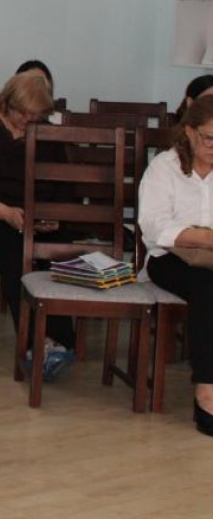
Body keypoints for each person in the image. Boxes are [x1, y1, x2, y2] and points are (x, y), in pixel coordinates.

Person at [0, 70, 76, 375]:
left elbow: (64, 187)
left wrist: (51, 217)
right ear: (8, 103)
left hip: (35, 218)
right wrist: (6, 213)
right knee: (17, 252)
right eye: (22, 113)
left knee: (55, 254)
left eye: (35, 116)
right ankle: (35, 343)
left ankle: (61, 341)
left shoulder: (47, 134)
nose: (27, 121)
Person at [138, 96, 213, 437]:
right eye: (208, 138)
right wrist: (204, 237)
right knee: (206, 287)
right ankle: (207, 391)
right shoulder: (164, 167)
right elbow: (154, 227)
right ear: (189, 132)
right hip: (168, 258)